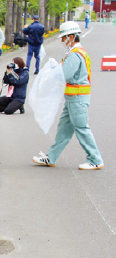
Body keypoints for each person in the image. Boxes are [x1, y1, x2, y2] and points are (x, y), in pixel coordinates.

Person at [32, 21, 104, 170]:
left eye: (64, 38)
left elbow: (66, 75)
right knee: (64, 130)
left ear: (71, 37)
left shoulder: (74, 55)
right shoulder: (79, 52)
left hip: (76, 99)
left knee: (82, 128)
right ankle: (51, 157)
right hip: (73, 99)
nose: (62, 41)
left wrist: (53, 70)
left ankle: (95, 159)